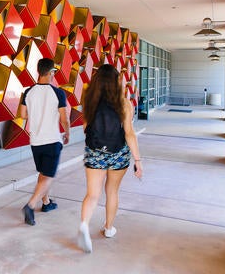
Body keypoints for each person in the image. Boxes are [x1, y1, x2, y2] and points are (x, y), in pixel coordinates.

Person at [77, 64, 143, 252]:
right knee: (112, 192)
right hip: (118, 154)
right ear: (116, 82)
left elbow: (85, 128)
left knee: (92, 194)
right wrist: (138, 160)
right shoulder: (124, 103)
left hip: (95, 152)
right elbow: (129, 134)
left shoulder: (88, 101)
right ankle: (108, 228)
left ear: (97, 81)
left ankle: (84, 225)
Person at [18, 58, 70, 226]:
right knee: (48, 175)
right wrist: (67, 132)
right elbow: (64, 117)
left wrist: (37, 112)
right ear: (51, 73)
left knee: (43, 173)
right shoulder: (58, 93)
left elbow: (23, 114)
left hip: (35, 141)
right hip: (52, 139)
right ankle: (31, 205)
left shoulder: (28, 92)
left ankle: (46, 203)